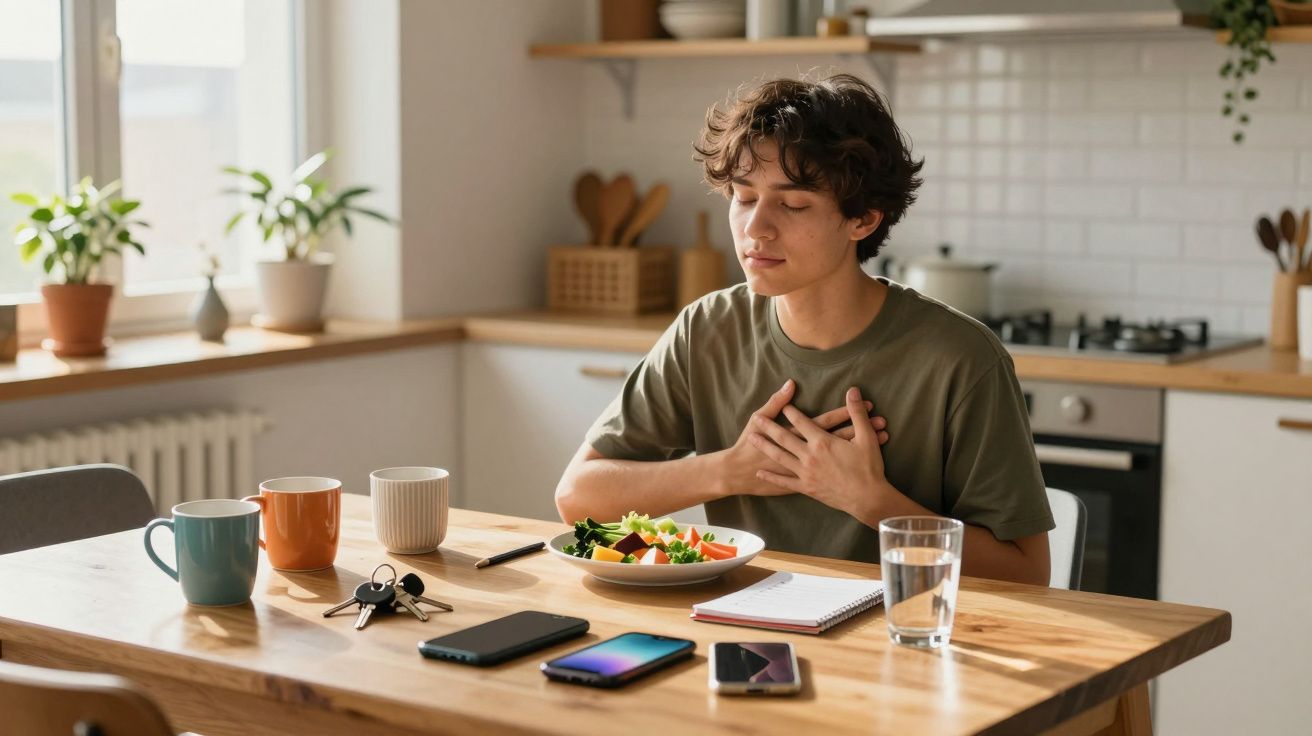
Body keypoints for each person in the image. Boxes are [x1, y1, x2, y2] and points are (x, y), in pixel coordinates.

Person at [554, 74, 1052, 585]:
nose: (755, 228)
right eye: (744, 197)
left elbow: (1028, 573)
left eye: (792, 205)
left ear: (863, 220)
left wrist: (871, 501)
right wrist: (732, 469)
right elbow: (578, 499)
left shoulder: (960, 358)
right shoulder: (706, 330)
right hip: (742, 633)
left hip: (905, 640)